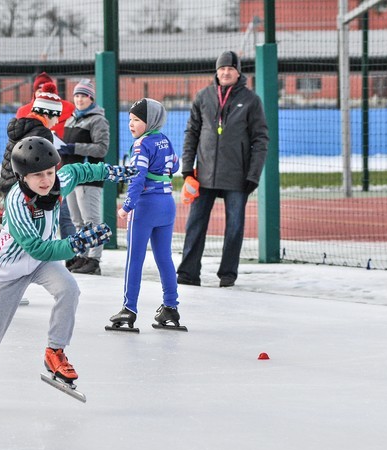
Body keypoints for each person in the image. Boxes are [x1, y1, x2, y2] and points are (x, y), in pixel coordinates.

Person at [0, 136, 137, 412]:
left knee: (69, 289)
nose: (46, 180)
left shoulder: (60, 180)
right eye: (37, 175)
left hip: (40, 262)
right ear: (22, 176)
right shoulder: (16, 203)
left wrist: (112, 172)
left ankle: (55, 352)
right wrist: (76, 244)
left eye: (49, 172)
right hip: (11, 269)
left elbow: (80, 170)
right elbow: (37, 248)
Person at [177, 51, 269, 288]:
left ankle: (227, 274)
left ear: (239, 72)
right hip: (204, 174)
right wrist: (188, 169)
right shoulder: (203, 96)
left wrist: (253, 175)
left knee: (235, 227)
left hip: (237, 176)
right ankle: (188, 273)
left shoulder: (251, 100)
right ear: (216, 72)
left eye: (230, 68)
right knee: (195, 223)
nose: (225, 72)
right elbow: (192, 134)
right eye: (221, 68)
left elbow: (260, 139)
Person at [108, 98, 183, 331]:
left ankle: (128, 309)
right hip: (167, 205)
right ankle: (170, 307)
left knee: (135, 259)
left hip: (145, 207)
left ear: (150, 121)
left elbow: (137, 176)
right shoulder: (165, 140)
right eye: (129, 119)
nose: (131, 124)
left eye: (137, 120)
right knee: (164, 258)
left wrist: (127, 206)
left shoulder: (141, 145)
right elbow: (176, 166)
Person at [15, 72, 76, 238]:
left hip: (56, 168)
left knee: (62, 215)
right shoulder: (27, 116)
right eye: (39, 90)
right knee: (41, 217)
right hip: (36, 176)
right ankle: (48, 252)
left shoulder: (66, 108)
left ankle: (69, 255)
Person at [59, 79, 110, 275]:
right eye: (77, 96)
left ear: (91, 98)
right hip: (72, 176)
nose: (79, 99)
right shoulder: (72, 119)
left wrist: (74, 148)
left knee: (92, 220)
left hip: (89, 177)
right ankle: (82, 255)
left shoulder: (98, 120)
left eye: (83, 96)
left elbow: (101, 148)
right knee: (77, 221)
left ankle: (94, 259)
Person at [0, 82, 62, 196]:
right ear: (47, 114)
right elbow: (41, 167)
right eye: (56, 116)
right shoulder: (43, 133)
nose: (57, 121)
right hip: (25, 190)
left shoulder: (22, 127)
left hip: (8, 184)